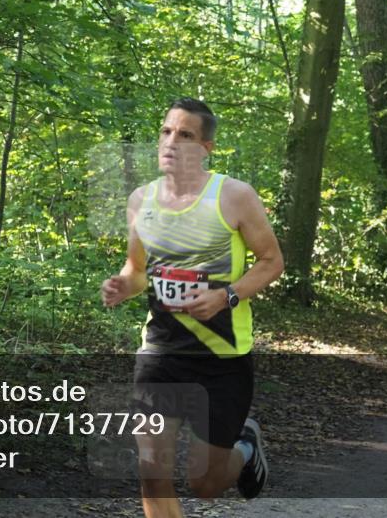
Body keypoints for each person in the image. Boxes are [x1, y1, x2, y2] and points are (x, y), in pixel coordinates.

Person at [100, 98, 285, 517]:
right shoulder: (141, 200)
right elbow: (138, 270)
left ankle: (245, 448)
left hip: (222, 358)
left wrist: (226, 296)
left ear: (206, 147)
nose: (171, 142)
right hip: (162, 353)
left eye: (185, 135)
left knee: (205, 484)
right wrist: (122, 286)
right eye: (166, 132)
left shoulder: (235, 196)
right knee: (152, 470)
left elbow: (272, 262)